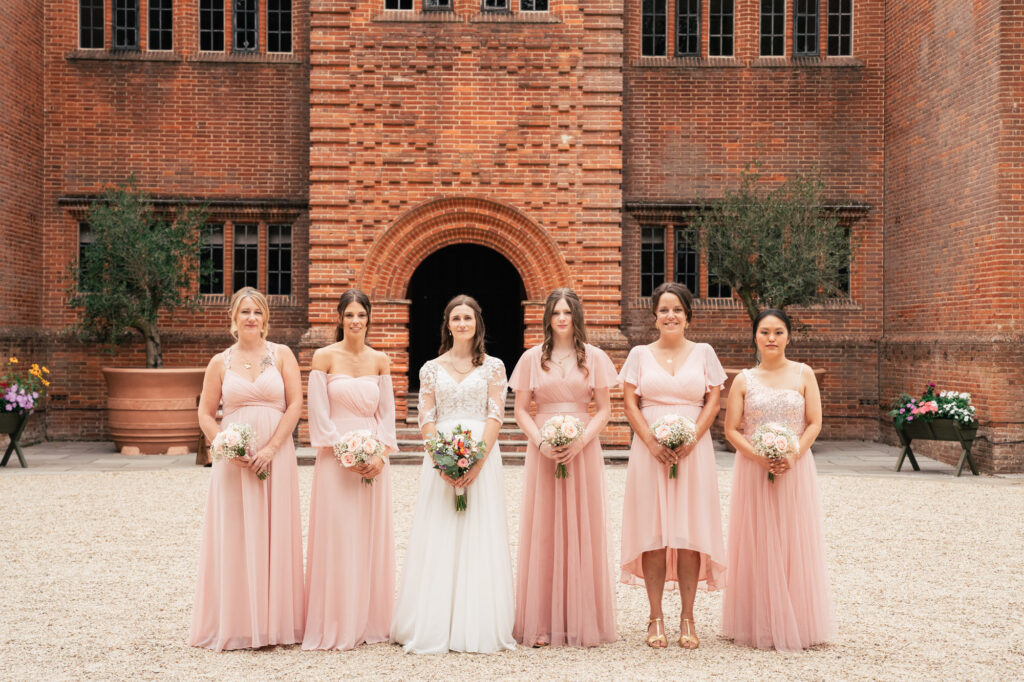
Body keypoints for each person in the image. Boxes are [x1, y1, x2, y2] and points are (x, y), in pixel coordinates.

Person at [391, 294, 516, 654]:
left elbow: (496, 415)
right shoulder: (429, 368)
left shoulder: (494, 367)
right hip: (441, 458)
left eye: (468, 317)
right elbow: (425, 418)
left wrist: (477, 460)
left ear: (478, 323)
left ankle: (476, 624)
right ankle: (433, 621)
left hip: (482, 454)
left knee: (480, 532)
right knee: (440, 531)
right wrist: (442, 460)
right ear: (447, 324)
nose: (462, 323)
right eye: (455, 318)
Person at [190, 287, 304, 650]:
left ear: (265, 318)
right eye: (244, 312)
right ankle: (238, 622)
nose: (251, 317)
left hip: (276, 456)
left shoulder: (283, 355)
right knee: (236, 533)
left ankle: (275, 624)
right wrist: (225, 444)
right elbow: (206, 415)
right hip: (234, 463)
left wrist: (272, 448)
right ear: (234, 319)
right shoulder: (219, 362)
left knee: (275, 531)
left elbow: (296, 404)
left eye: (257, 311)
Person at [619, 282, 727, 649]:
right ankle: (655, 617)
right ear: (654, 316)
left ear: (688, 316)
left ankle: (687, 616)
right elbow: (630, 403)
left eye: (677, 309)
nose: (670, 316)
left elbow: (713, 400)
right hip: (648, 453)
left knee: (688, 534)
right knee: (653, 532)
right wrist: (650, 441)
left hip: (694, 453)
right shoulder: (639, 354)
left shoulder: (704, 352)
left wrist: (692, 437)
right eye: (664, 309)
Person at [722, 308, 835, 652]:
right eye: (765, 332)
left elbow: (814, 422)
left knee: (793, 538)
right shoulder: (743, 379)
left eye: (778, 332)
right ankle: (759, 620)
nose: (771, 338)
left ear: (788, 336)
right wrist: (758, 456)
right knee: (757, 538)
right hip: (753, 469)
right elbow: (731, 429)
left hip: (794, 467)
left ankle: (796, 618)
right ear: (755, 336)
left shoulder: (804, 374)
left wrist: (793, 453)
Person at [509, 287, 618, 648]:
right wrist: (541, 442)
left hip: (582, 449)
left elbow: (603, 408)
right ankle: (540, 622)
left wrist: (581, 441)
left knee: (581, 528)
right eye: (555, 312)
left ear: (576, 317)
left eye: (567, 312)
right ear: (547, 318)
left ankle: (579, 620)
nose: (561, 318)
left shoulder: (596, 358)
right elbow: (521, 409)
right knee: (544, 528)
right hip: (542, 451)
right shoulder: (530, 359)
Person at [303, 289, 396, 650]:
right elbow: (318, 414)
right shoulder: (324, 357)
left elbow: (387, 414)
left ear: (369, 318)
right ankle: (336, 618)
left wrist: (380, 455)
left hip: (373, 459)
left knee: (369, 534)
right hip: (334, 457)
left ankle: (370, 619)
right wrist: (343, 452)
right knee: (337, 534)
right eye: (349, 315)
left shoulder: (380, 360)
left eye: (361, 315)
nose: (355, 321)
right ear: (340, 318)